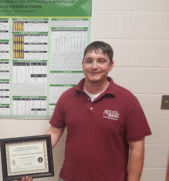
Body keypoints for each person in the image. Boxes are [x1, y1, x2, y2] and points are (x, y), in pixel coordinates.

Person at [22, 41, 151, 181]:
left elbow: (137, 148)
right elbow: (53, 132)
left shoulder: (127, 100)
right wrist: (29, 164)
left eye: (101, 61)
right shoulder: (67, 97)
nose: (94, 66)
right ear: (83, 64)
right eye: (89, 61)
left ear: (111, 65)